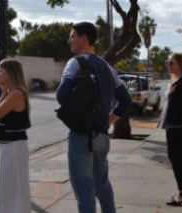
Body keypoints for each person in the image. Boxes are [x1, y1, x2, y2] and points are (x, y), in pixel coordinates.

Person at [55, 22, 133, 213]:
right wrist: (107, 121)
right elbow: (126, 101)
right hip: (102, 136)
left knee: (84, 191)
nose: (69, 40)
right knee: (103, 186)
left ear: (84, 39)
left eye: (72, 36)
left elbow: (61, 97)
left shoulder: (76, 63)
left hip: (81, 136)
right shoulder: (108, 68)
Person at [156, 52, 182, 206]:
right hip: (178, 126)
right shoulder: (177, 81)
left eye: (171, 61)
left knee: (176, 158)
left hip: (180, 127)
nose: (168, 64)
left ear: (180, 63)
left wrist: (171, 95)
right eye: (167, 61)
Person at [0, 58, 32, 213]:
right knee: (11, 187)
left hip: (12, 146)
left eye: (1, 70)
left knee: (9, 188)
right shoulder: (14, 92)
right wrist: (3, 92)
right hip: (8, 145)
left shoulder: (16, 93)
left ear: (10, 73)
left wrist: (3, 93)